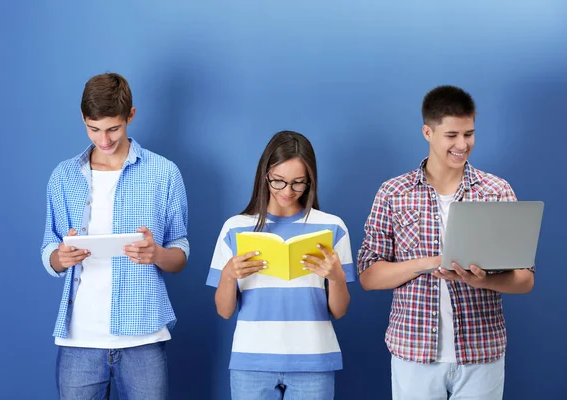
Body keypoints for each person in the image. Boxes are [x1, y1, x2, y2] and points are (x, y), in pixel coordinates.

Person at [357, 85, 534, 400]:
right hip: (413, 352)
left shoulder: (496, 191)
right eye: (451, 135)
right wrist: (431, 262)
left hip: (483, 353)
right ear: (428, 132)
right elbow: (369, 276)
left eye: (469, 134)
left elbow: (524, 280)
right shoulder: (393, 193)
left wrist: (483, 281)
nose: (462, 145)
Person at [40, 72, 189, 399]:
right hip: (79, 338)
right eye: (93, 129)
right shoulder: (63, 177)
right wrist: (60, 257)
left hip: (143, 337)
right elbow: (49, 247)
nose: (103, 140)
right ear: (83, 119)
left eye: (113, 129)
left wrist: (157, 254)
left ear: (130, 116)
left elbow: (180, 251)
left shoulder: (164, 173)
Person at [207, 130, 355, 400]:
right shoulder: (236, 228)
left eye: (298, 183)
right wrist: (228, 276)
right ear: (265, 175)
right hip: (250, 361)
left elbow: (340, 310)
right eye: (279, 182)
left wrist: (336, 278)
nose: (288, 191)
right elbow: (224, 311)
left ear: (310, 181)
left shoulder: (333, 227)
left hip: (314, 360)